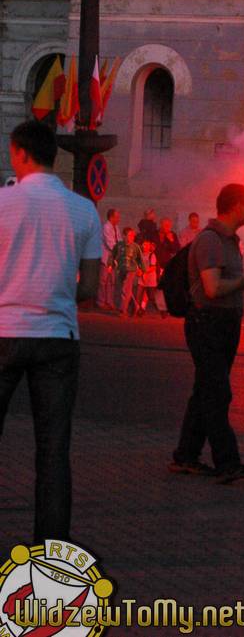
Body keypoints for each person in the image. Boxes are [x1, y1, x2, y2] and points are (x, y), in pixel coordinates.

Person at [0, 120, 101, 542]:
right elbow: (92, 287)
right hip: (59, 337)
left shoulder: (2, 203)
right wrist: (55, 296)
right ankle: (51, 558)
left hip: (3, 331)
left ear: (20, 153)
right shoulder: (84, 210)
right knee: (53, 452)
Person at [170, 184, 244, 483]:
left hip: (225, 324)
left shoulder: (230, 241)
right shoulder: (210, 241)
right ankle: (227, 462)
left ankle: (186, 456)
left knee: (205, 391)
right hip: (208, 324)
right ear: (236, 206)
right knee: (218, 392)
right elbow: (212, 288)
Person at [113, 227, 144, 318]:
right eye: (130, 235)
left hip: (131, 269)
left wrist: (141, 269)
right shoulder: (120, 245)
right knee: (124, 288)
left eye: (133, 235)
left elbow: (139, 259)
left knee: (126, 289)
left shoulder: (135, 246)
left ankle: (123, 310)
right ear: (124, 236)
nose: (132, 237)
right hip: (122, 269)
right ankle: (136, 306)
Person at [98, 208, 120, 309]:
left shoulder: (116, 227)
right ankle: (101, 301)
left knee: (111, 281)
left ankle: (109, 301)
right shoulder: (106, 227)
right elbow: (109, 243)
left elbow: (119, 240)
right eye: (116, 217)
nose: (118, 219)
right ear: (111, 217)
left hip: (114, 258)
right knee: (103, 281)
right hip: (107, 257)